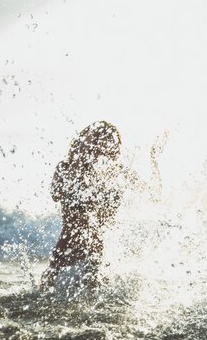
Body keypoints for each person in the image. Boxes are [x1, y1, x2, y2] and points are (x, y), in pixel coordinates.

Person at [40, 121, 165, 293]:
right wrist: (80, 164)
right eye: (108, 141)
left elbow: (154, 195)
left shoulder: (118, 172)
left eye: (116, 143)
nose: (115, 148)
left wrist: (154, 159)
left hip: (96, 248)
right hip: (68, 242)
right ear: (91, 141)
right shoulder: (66, 167)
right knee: (46, 294)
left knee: (94, 304)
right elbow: (55, 194)